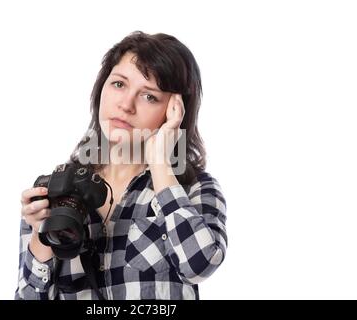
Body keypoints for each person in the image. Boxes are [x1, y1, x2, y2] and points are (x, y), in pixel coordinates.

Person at [15, 31, 227, 300]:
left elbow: (200, 264)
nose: (126, 105)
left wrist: (160, 163)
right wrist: (41, 236)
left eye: (149, 96)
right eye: (118, 84)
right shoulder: (59, 190)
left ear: (175, 110)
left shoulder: (194, 188)